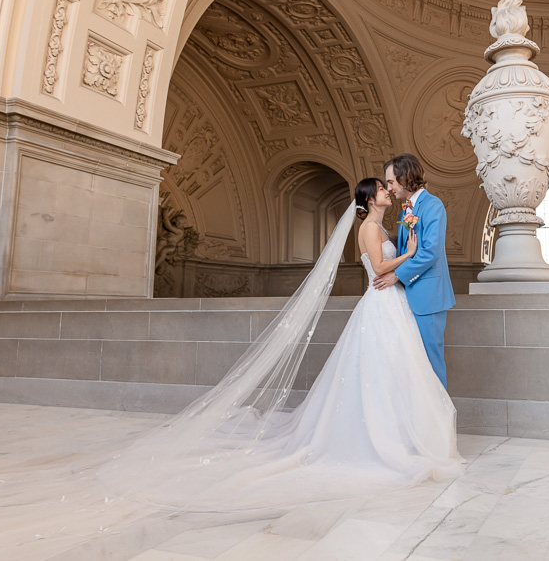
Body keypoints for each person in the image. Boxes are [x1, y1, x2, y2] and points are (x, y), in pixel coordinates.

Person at [99, 178, 463, 512]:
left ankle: (406, 433)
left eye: (389, 186)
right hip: (382, 302)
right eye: (383, 188)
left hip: (392, 305)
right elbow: (380, 269)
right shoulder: (369, 227)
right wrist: (410, 254)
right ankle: (384, 439)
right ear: (369, 199)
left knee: (395, 371)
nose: (388, 190)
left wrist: (407, 250)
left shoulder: (384, 225)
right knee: (379, 370)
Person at [374, 154, 456, 388]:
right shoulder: (405, 211)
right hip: (407, 297)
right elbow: (405, 249)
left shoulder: (432, 205)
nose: (389, 188)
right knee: (414, 365)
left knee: (431, 362)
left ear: (405, 177)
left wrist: (397, 275)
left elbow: (430, 251)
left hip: (428, 298)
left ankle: (440, 423)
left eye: (390, 182)